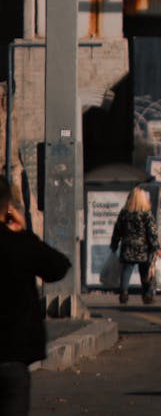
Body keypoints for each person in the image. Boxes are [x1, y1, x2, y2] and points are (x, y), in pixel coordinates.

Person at [0, 175, 71, 415]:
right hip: (12, 355)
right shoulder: (18, 244)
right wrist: (24, 233)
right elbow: (58, 266)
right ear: (7, 207)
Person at [109, 187, 160, 305]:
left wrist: (114, 244)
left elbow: (117, 230)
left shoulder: (124, 213)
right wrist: (156, 247)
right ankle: (147, 294)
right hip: (143, 248)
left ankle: (124, 293)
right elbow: (152, 232)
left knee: (127, 270)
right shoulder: (146, 214)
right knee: (145, 272)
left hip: (127, 246)